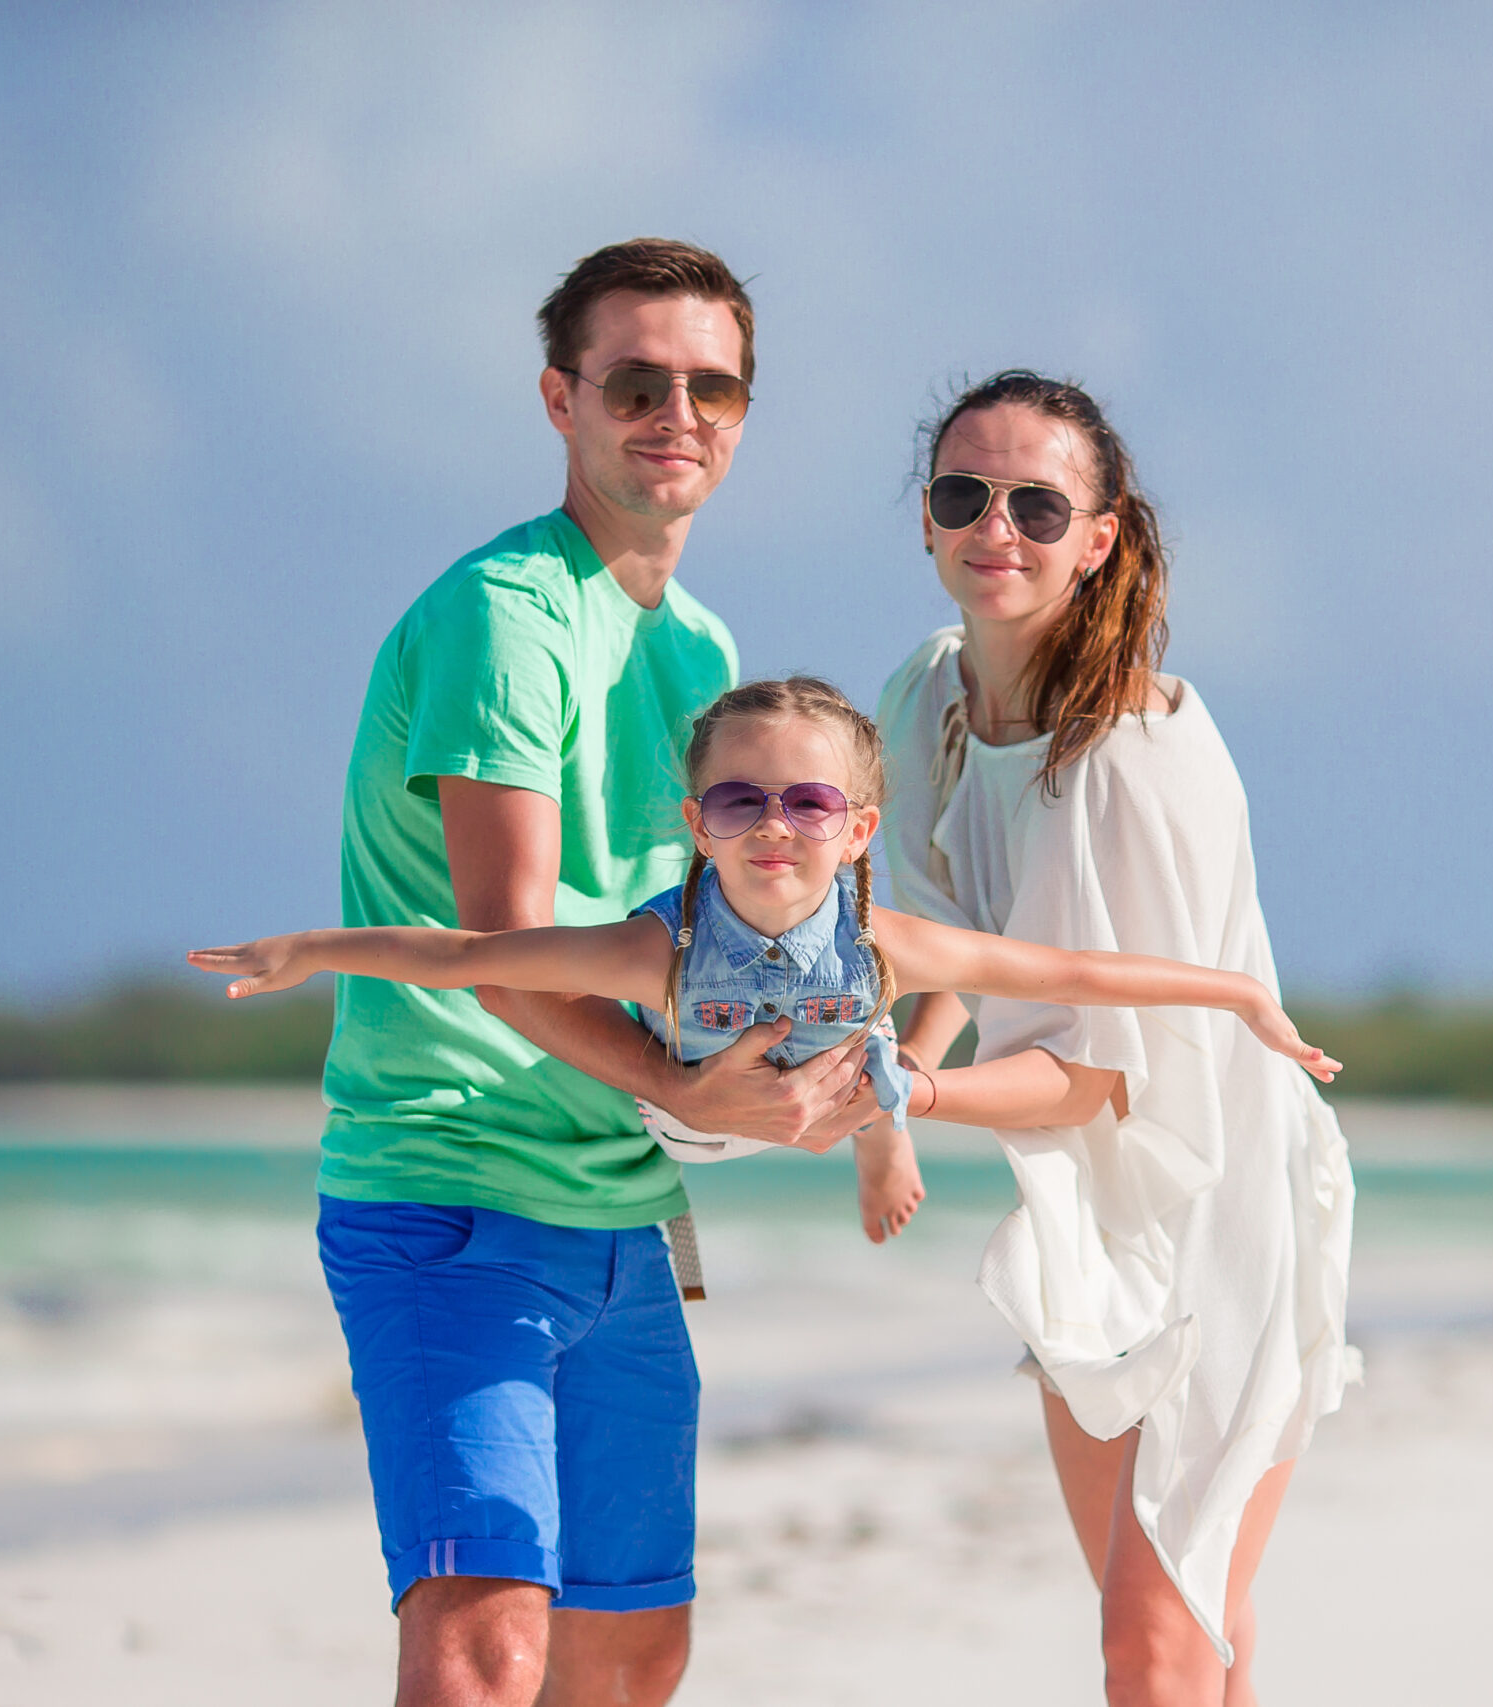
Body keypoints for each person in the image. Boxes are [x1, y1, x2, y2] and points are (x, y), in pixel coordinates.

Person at [310, 238, 881, 1707]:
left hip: (624, 1206)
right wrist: (691, 1089)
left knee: (630, 1656)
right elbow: (505, 946)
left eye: (712, 388)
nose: (676, 414)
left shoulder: (702, 647)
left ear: (743, 415)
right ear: (560, 400)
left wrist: (824, 1082)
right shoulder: (504, 613)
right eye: (635, 383)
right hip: (452, 1187)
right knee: (485, 1640)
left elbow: (731, 933)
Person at [875, 371, 1361, 1707]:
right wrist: (901, 1081)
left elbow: (1100, 1077)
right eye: (964, 494)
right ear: (926, 518)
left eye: (1038, 506)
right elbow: (958, 939)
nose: (997, 528)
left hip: (1215, 1205)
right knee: (1196, 1623)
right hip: (1088, 1213)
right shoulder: (926, 696)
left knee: (1157, 1643)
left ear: (1097, 538)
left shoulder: (1129, 758)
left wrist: (905, 1095)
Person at [192, 676, 1340, 1234]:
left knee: (924, 1048)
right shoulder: (660, 949)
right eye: (740, 802)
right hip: (694, 1113)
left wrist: (1241, 992)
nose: (775, 826)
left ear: (857, 829)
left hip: (839, 1072)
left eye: (809, 802)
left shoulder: (882, 935)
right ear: (698, 826)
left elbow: (1073, 973)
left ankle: (885, 1128)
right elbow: (468, 956)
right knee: (604, 1058)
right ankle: (872, 1106)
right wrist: (313, 948)